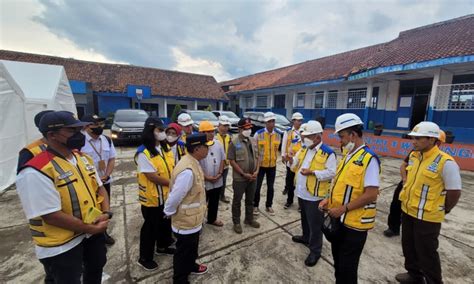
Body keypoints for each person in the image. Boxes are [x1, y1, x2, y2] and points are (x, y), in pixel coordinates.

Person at [16, 111, 110, 283]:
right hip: (62, 245)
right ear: (52, 135)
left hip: (92, 233)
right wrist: (90, 228)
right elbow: (50, 215)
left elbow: (100, 188)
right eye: (72, 131)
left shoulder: (82, 158)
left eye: (80, 130)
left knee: (96, 268)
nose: (79, 135)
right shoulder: (35, 170)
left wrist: (106, 213)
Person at [395, 122, 461, 284]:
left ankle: (433, 281)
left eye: (418, 138)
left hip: (428, 217)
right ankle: (414, 276)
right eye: (413, 138)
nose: (414, 142)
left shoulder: (446, 162)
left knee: (427, 253)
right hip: (408, 211)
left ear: (432, 140)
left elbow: (455, 191)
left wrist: (445, 209)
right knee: (409, 247)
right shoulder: (414, 156)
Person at [319, 113, 381, 284]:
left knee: (347, 269)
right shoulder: (348, 156)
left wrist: (342, 209)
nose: (340, 140)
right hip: (339, 221)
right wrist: (328, 201)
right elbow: (340, 186)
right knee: (339, 264)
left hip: (354, 226)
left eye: (342, 136)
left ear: (353, 135)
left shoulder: (369, 159)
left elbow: (371, 194)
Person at [164, 133, 211, 283]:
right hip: (185, 221)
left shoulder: (193, 161)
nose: (208, 149)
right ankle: (180, 279)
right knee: (183, 252)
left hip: (194, 218)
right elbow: (175, 196)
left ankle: (191, 265)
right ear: (197, 149)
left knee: (192, 248)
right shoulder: (187, 170)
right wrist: (168, 212)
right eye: (205, 147)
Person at [290, 120, 336, 267]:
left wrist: (313, 172)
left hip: (315, 196)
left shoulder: (328, 153)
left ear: (317, 137)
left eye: (308, 136)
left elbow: (331, 173)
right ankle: (305, 237)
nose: (304, 139)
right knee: (304, 219)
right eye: (304, 136)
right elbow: (294, 164)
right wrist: (289, 159)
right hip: (302, 192)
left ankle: (315, 251)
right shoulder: (304, 148)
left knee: (315, 224)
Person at [384, 130, 447, 238]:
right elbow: (403, 166)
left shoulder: (441, 159)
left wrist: (447, 208)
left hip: (422, 187)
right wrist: (404, 179)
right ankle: (393, 228)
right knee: (396, 204)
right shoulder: (415, 152)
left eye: (439, 142)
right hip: (407, 182)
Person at [135, 116, 176, 271]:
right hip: (152, 198)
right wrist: (173, 183)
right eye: (159, 130)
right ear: (150, 131)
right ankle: (144, 258)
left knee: (165, 223)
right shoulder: (143, 152)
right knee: (150, 228)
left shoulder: (165, 148)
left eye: (163, 130)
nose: (163, 133)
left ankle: (163, 246)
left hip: (166, 195)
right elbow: (151, 176)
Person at [80, 114, 117, 245]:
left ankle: (103, 233)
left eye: (101, 124)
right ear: (86, 126)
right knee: (90, 210)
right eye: (95, 124)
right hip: (88, 184)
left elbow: (112, 159)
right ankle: (91, 233)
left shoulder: (106, 140)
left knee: (104, 208)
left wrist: (106, 174)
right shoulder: (80, 141)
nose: (99, 127)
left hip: (105, 181)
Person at [227, 118, 260, 234]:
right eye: (246, 128)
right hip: (240, 178)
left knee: (250, 200)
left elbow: (258, 157)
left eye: (250, 128)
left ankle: (249, 219)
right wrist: (243, 173)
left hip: (253, 177)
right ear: (240, 129)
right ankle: (236, 222)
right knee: (237, 201)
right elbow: (231, 160)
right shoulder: (234, 142)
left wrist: (257, 171)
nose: (248, 130)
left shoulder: (253, 140)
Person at [253, 112, 282, 216]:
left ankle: (269, 205)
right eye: (269, 122)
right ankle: (255, 205)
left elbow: (277, 150)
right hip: (260, 166)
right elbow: (254, 151)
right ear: (265, 122)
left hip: (272, 166)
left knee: (271, 187)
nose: (271, 124)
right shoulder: (258, 134)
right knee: (257, 187)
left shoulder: (278, 134)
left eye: (273, 121)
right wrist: (255, 166)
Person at [198, 121, 225, 227]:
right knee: (201, 202)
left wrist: (220, 173)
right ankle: (199, 223)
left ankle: (212, 219)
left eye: (212, 131)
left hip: (217, 179)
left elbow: (222, 159)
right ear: (201, 132)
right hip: (204, 181)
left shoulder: (218, 143)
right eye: (208, 131)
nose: (211, 134)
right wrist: (207, 177)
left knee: (214, 201)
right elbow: (197, 164)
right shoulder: (198, 146)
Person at [281, 112, 304, 209]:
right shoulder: (288, 131)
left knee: (300, 183)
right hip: (290, 161)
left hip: (301, 161)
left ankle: (300, 204)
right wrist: (283, 155)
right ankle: (289, 201)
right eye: (297, 120)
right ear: (293, 121)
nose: (299, 122)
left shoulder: (304, 131)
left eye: (300, 120)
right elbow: (284, 143)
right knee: (290, 182)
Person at [215, 115, 232, 203]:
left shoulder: (229, 136)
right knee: (215, 182)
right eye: (224, 126)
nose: (226, 128)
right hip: (216, 165)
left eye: (227, 126)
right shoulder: (214, 136)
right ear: (219, 125)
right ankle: (215, 198)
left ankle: (222, 196)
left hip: (226, 164)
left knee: (223, 181)